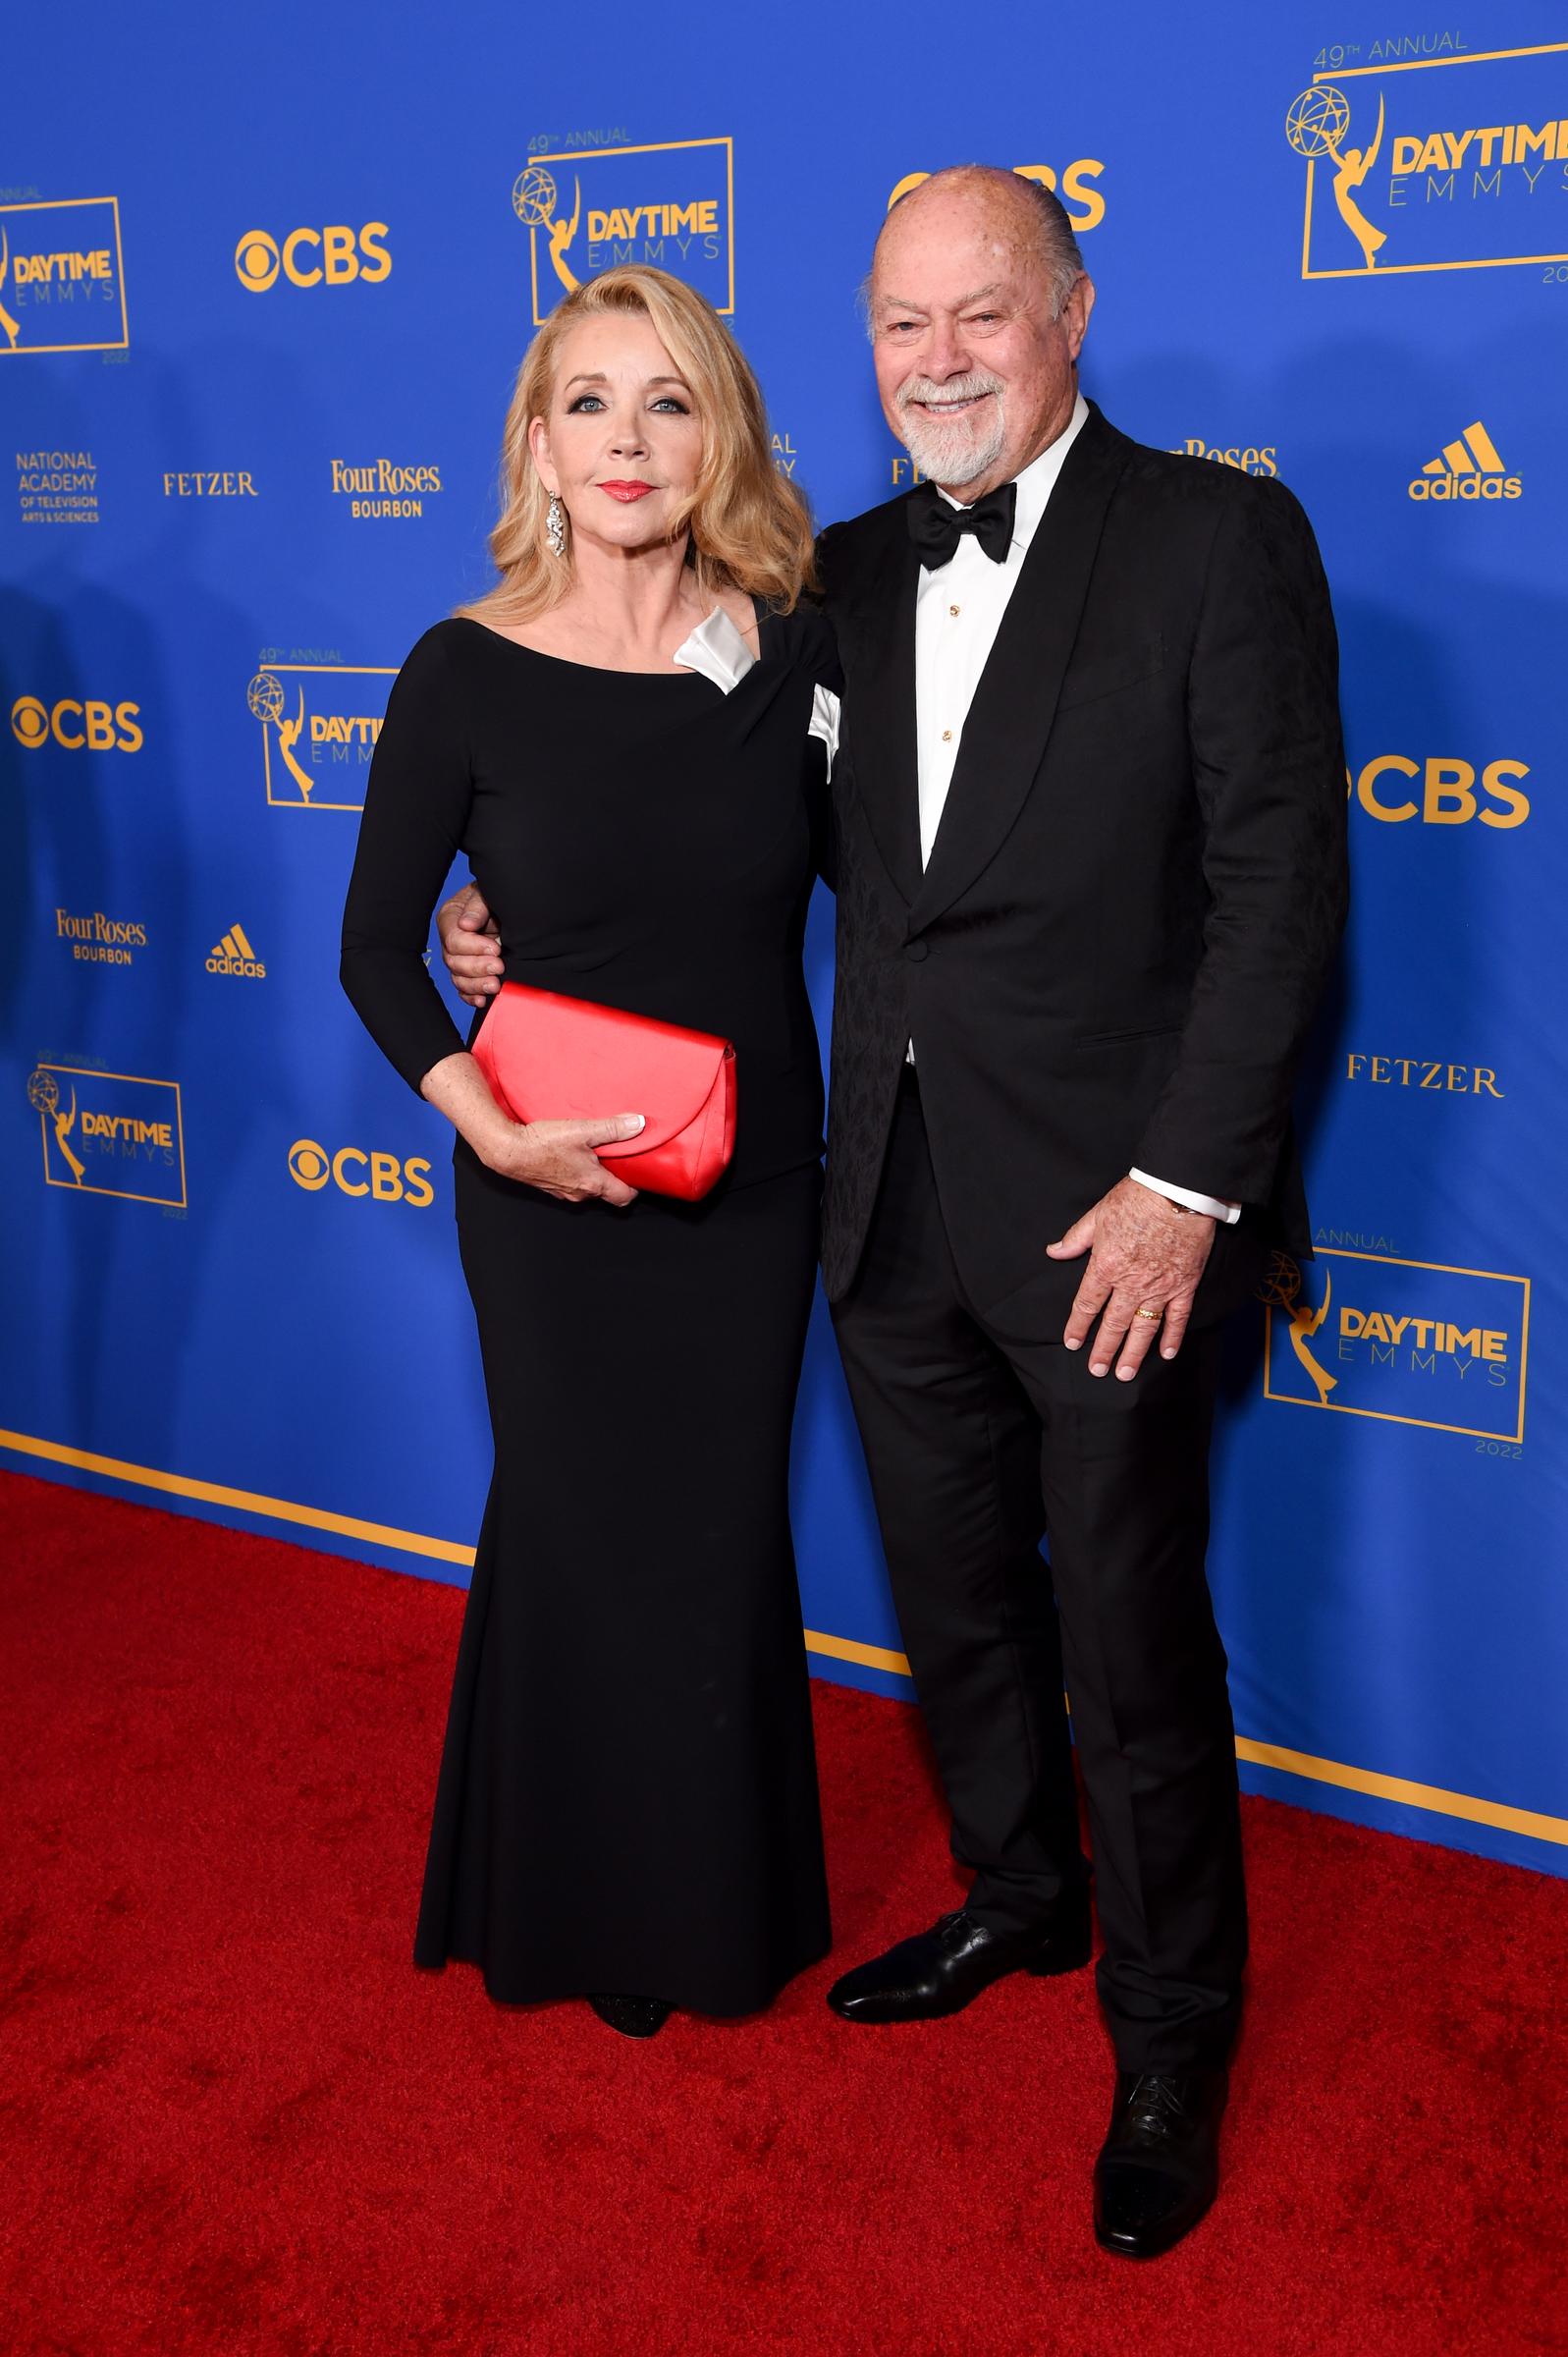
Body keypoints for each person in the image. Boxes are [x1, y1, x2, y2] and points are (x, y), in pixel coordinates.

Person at [440, 168, 1349, 2254]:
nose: (935, 362)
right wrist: (511, 925)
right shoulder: (825, 580)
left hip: (1116, 1214)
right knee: (956, 1614)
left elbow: (1279, 895)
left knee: (1127, 1638)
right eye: (897, 327)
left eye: (978, 317)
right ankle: (1019, 1907)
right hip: (877, 1210)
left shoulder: (1218, 540)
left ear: (1071, 312)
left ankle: (1168, 2038)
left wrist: (1184, 1188)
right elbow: (669, 817)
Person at [341, 264, 839, 2040]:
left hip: (755, 1190)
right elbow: (377, 948)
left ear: (719, 438)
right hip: (540, 1196)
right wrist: (491, 1127)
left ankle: (711, 1913)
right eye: (588, 402)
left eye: (668, 400)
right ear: (537, 448)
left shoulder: (793, 647)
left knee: (715, 1535)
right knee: (572, 1522)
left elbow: (903, 885)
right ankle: (564, 1901)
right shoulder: (460, 668)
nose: (627, 440)